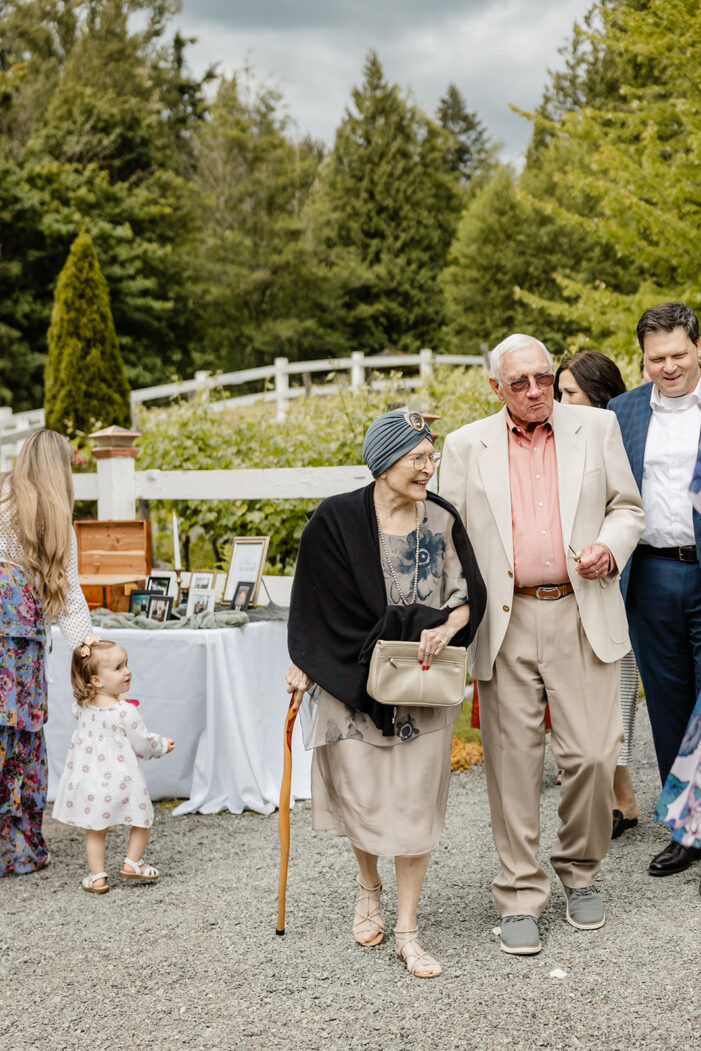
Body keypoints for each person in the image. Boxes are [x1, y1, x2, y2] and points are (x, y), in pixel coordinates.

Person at [441, 334, 644, 955]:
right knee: (512, 766)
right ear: (495, 389)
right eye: (519, 384)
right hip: (505, 620)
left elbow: (628, 508)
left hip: (581, 613)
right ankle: (519, 892)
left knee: (591, 754)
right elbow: (448, 536)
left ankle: (581, 871)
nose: (536, 393)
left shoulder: (595, 426)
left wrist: (611, 544)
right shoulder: (464, 444)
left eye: (543, 378)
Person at [286, 409, 486, 979]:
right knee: (367, 797)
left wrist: (448, 626)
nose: (428, 467)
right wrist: (304, 662)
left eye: (431, 457)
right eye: (417, 457)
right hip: (350, 680)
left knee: (417, 801)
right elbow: (314, 603)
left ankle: (408, 927)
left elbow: (470, 593)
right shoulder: (336, 520)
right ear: (384, 461)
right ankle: (369, 888)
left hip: (421, 681)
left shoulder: (442, 520)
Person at [608, 302, 701, 878]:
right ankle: (686, 832)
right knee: (668, 705)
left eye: (678, 355)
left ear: (698, 350)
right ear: (642, 361)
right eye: (655, 359)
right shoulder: (620, 413)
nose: (668, 368)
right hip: (653, 572)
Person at [0, 429, 97, 877]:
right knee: (21, 736)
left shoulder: (3, 498)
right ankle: (17, 848)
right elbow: (70, 596)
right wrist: (87, 646)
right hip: (21, 645)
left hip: (16, 636)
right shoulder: (58, 521)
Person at [555, 351, 640, 838]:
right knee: (605, 694)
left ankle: (620, 795)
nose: (560, 401)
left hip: (626, 573)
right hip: (587, 578)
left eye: (569, 393)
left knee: (617, 689)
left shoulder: (617, 434)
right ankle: (620, 797)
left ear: (598, 396)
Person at [52, 639, 174, 892]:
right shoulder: (124, 712)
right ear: (96, 680)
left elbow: (81, 706)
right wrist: (162, 745)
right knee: (142, 820)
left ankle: (97, 877)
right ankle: (133, 863)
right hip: (123, 780)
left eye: (126, 664)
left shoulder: (83, 707)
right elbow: (142, 743)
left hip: (90, 782)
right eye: (118, 668)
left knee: (96, 830)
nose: (127, 671)